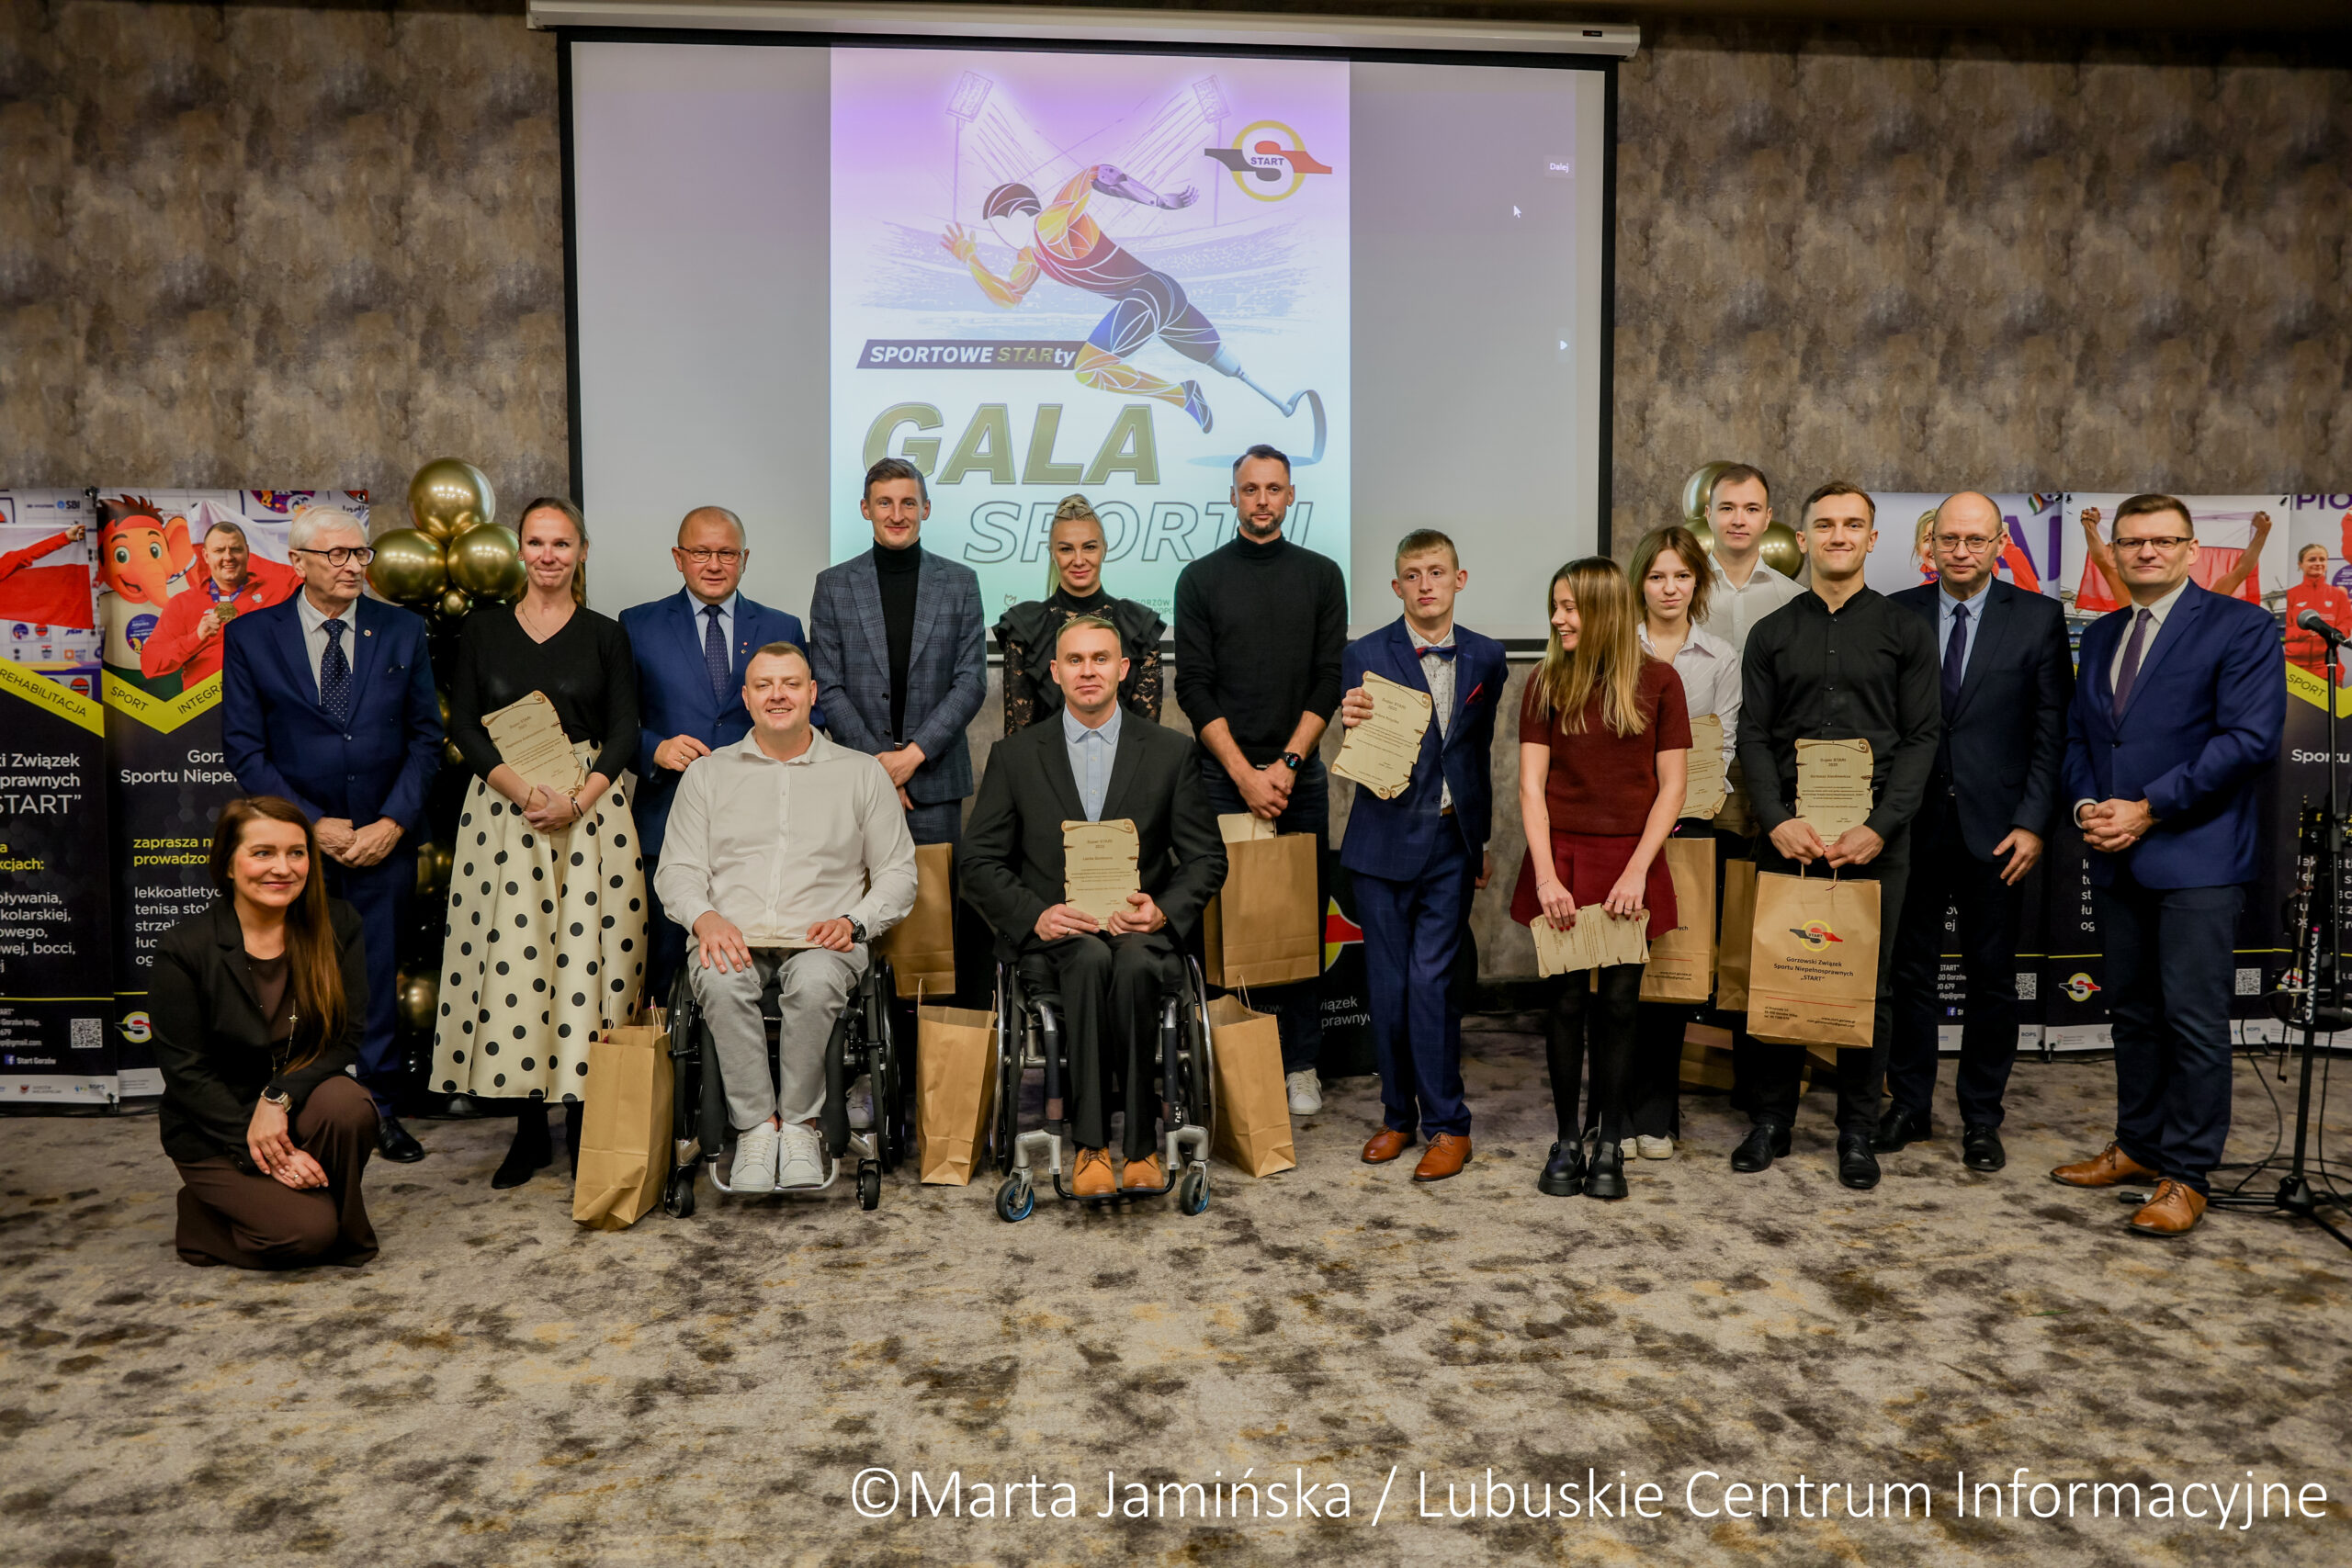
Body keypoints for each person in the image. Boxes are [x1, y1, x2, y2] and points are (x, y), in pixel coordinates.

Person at [2052, 493, 2283, 1237]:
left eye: (2162, 540)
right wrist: (2088, 806)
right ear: (2114, 553)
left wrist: (2148, 808)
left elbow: (2249, 739)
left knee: (2191, 1019)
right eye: (2132, 541)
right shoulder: (2104, 632)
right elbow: (2083, 739)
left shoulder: (2240, 626)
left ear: (2191, 551)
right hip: (2115, 852)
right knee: (2132, 1011)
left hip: (2197, 857)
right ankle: (2139, 1145)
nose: (2146, 552)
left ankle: (2187, 1174)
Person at [963, 616, 1227, 1195]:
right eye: (1075, 660)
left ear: (1123, 669)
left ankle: (1140, 1147)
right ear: (1054, 673)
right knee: (1086, 958)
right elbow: (977, 862)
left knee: (1129, 962)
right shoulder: (1015, 756)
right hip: (1057, 940)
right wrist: (1035, 915)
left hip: (1140, 935)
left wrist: (1162, 910)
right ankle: (1089, 1149)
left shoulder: (1170, 753)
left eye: (1101, 659)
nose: (1088, 671)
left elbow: (1207, 859)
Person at [430, 498, 646, 1190]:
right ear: (521, 550)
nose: (549, 554)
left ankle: (583, 1124)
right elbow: (464, 724)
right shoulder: (483, 630)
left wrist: (576, 799)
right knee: (516, 966)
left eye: (562, 542)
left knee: (587, 965)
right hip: (505, 814)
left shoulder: (606, 635)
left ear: (582, 551)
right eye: (537, 541)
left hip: (589, 814)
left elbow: (625, 731)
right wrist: (523, 793)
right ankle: (527, 1130)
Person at [1734, 482, 1940, 1190]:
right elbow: (1753, 735)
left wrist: (1880, 827)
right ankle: (1770, 1120)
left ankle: (1856, 1130)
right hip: (1788, 835)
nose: (1839, 535)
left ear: (1872, 539)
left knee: (1869, 988)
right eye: (1825, 524)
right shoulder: (1771, 633)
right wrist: (1775, 818)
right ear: (1804, 538)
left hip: (1875, 840)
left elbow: (1922, 737)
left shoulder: (1905, 631)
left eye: (1853, 524)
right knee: (1780, 972)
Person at [221, 505, 440, 1164]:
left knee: (373, 977)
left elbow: (425, 739)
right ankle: (288, 1108)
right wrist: (311, 826)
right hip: (292, 849)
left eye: (360, 553)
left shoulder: (401, 629)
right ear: (298, 561)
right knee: (288, 978)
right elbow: (244, 746)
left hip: (382, 842)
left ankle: (379, 1110)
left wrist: (392, 823)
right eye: (337, 554)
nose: (353, 566)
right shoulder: (252, 635)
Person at [655, 643, 917, 1192]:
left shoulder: (861, 774)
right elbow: (677, 869)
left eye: (791, 684)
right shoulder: (707, 775)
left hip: (824, 941)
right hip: (731, 936)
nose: (778, 695)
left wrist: (853, 921)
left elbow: (898, 874)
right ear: (747, 698)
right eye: (765, 685)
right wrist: (704, 918)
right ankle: (756, 1128)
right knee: (720, 980)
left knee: (817, 981)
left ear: (812, 694)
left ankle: (800, 1125)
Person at [1880, 492, 2072, 1172]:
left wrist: (2033, 823)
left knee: (1992, 979)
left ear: (1999, 545)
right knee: (1909, 974)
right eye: (1949, 539)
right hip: (1912, 826)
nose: (1961, 551)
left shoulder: (2039, 617)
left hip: (2000, 833)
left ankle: (1982, 1117)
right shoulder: (1895, 612)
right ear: (1929, 544)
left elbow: (2052, 731)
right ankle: (1909, 1104)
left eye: (1975, 539)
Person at [1173, 444, 1347, 1113]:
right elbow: (1193, 686)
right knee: (1223, 920)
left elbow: (1328, 679)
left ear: (1291, 496)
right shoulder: (1199, 579)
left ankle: (1301, 1062)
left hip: (1298, 777)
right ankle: (1228, 1056)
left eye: (1274, 489)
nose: (1263, 500)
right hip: (1223, 779)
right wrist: (1245, 775)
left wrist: (1288, 766)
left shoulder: (1322, 576)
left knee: (1299, 918)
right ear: (1234, 496)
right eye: (1251, 489)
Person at [1337, 530, 1507, 1183]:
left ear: (1459, 579)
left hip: (1450, 842)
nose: (1426, 584)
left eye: (1437, 572)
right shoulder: (1363, 654)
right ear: (1396, 586)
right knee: (1388, 987)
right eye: (1413, 574)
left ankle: (1448, 1125)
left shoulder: (1488, 656)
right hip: (1381, 843)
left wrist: (1481, 840)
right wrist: (1350, 716)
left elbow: (1477, 756)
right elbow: (1359, 738)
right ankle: (1397, 1115)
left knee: (1432, 983)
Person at [1514, 559, 1688, 1201]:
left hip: (1630, 861)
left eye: (1570, 607)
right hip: (1560, 858)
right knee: (1563, 1003)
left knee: (1618, 1005)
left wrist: (1638, 870)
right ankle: (1567, 1139)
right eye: (1555, 605)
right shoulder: (1544, 681)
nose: (1558, 618)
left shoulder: (1661, 682)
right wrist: (1546, 877)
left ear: (1604, 611)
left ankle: (1610, 1140)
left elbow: (1673, 788)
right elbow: (1530, 786)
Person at [152, 796, 380, 1269]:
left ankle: (337, 1226)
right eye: (263, 853)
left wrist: (277, 1098)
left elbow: (346, 1038)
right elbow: (186, 1072)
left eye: (296, 853)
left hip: (294, 1106)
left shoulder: (339, 924)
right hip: (215, 1128)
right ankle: (199, 1219)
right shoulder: (185, 946)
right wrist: (260, 1146)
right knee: (303, 1235)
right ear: (228, 865)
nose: (283, 868)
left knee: (348, 1104)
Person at [620, 505, 809, 999]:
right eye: (701, 552)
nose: (713, 564)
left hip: (761, 828)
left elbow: (809, 716)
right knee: (664, 972)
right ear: (678, 557)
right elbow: (614, 722)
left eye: (726, 553)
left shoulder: (782, 626)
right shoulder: (637, 625)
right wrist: (654, 748)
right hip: (666, 818)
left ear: (744, 559)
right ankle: (668, 1051)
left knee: (750, 970)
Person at [1625, 525, 1741, 1161]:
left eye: (1682, 576)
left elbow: (1721, 747)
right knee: (1618, 972)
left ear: (1698, 583)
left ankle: (1657, 1112)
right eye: (1657, 576)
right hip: (1620, 826)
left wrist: (1680, 805)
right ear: (1639, 583)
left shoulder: (1720, 657)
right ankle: (1613, 1109)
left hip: (1689, 824)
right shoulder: (1616, 646)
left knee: (1671, 971)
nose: (1669, 588)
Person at [808, 457, 989, 848]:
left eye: (908, 503)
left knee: (935, 889)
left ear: (926, 508)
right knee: (852, 888)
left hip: (934, 780)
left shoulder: (960, 583)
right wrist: (880, 766)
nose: (896, 515)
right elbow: (827, 685)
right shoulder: (833, 586)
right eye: (884, 503)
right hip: (855, 775)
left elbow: (971, 682)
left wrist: (911, 757)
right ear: (866, 509)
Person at [995, 493, 1166, 730]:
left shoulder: (1139, 627)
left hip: (1126, 755)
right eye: (1066, 549)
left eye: (1089, 547)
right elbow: (1017, 737)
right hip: (1042, 755)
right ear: (1052, 553)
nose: (1078, 560)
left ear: (1104, 549)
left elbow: (1147, 736)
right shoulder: (1024, 628)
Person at [141, 520, 300, 687]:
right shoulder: (183, 603)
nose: (228, 557)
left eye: (236, 549)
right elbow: (151, 665)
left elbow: (313, 579)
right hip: (208, 699)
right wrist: (197, 637)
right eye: (219, 550)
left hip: (263, 694)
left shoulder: (279, 588)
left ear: (247, 552)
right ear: (206, 556)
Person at [2078, 502, 2268, 608]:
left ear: (2191, 553)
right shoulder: (2132, 603)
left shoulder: (2204, 605)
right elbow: (2103, 561)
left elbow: (2241, 571)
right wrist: (2089, 527)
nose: (2149, 554)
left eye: (2165, 543)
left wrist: (2262, 533)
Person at [1704, 465, 1805, 649]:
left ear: (1767, 518)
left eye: (1751, 509)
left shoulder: (1794, 598)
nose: (1738, 521)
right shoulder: (1680, 593)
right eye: (1727, 508)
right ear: (1709, 515)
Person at [2282, 541, 2351, 678]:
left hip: (2327, 666)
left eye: (2322, 559)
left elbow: (2346, 624)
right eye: (2312, 559)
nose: (2318, 563)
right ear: (2300, 564)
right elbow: (2284, 629)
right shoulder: (2290, 595)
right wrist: (2307, 632)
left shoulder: (2339, 595)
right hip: (2293, 667)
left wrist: (2331, 633)